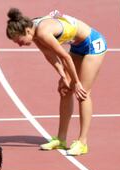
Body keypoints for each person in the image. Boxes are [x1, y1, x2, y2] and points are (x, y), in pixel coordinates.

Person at [6, 8, 107, 155]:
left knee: (82, 92)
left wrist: (77, 82)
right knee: (65, 90)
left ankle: (82, 142)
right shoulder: (34, 32)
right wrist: (63, 76)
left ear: (27, 31)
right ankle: (61, 139)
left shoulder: (42, 32)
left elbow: (65, 57)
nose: (19, 45)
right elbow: (50, 55)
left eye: (19, 41)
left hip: (93, 44)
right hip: (78, 46)